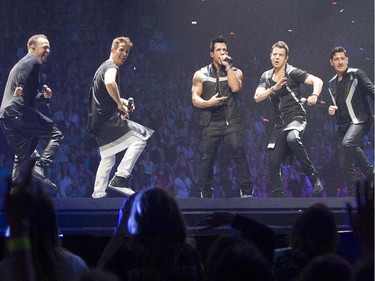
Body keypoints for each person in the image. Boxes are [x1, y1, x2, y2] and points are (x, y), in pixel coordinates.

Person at [254, 41, 324, 197]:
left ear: (286, 58)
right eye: (275, 54)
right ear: (270, 56)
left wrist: (314, 95)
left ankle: (313, 176)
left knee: (292, 138)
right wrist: (274, 88)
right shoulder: (266, 76)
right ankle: (278, 197)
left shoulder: (293, 72)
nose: (277, 57)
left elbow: (318, 81)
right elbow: (257, 97)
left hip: (296, 116)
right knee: (272, 161)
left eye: (281, 55)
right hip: (280, 123)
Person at [88, 37, 154, 198]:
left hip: (96, 121)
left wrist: (122, 101)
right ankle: (121, 178)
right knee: (141, 138)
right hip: (106, 119)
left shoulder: (101, 68)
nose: (124, 54)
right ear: (113, 49)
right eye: (121, 50)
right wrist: (119, 104)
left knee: (108, 157)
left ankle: (98, 193)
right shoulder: (112, 68)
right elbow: (110, 83)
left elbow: (104, 93)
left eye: (127, 51)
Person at [0, 34, 63, 192]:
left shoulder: (24, 64)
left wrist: (43, 96)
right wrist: (20, 85)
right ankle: (40, 168)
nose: (48, 50)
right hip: (18, 110)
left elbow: (29, 98)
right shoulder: (31, 60)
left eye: (49, 47)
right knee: (56, 134)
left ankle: (14, 195)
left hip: (7, 117)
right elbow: (23, 76)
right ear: (32, 48)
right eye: (44, 47)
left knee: (21, 158)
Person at [191, 35, 253, 198]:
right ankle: (206, 192)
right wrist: (208, 103)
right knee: (207, 158)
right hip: (210, 122)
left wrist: (228, 66)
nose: (222, 52)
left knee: (238, 152)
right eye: (218, 50)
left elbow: (235, 87)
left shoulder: (236, 71)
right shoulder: (200, 74)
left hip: (230, 120)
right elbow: (195, 99)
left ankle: (246, 191)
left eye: (224, 50)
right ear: (212, 54)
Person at [99, 187, 203, 281]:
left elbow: (102, 272)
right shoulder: (189, 256)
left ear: (138, 218)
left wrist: (123, 222)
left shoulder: (128, 258)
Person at [327, 47, 374, 195]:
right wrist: (332, 111)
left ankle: (372, 175)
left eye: (342, 58)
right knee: (345, 164)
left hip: (361, 120)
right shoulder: (331, 83)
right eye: (336, 59)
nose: (340, 62)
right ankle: (353, 196)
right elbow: (341, 106)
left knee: (349, 142)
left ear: (347, 60)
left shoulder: (356, 74)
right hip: (344, 125)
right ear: (331, 62)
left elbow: (371, 90)